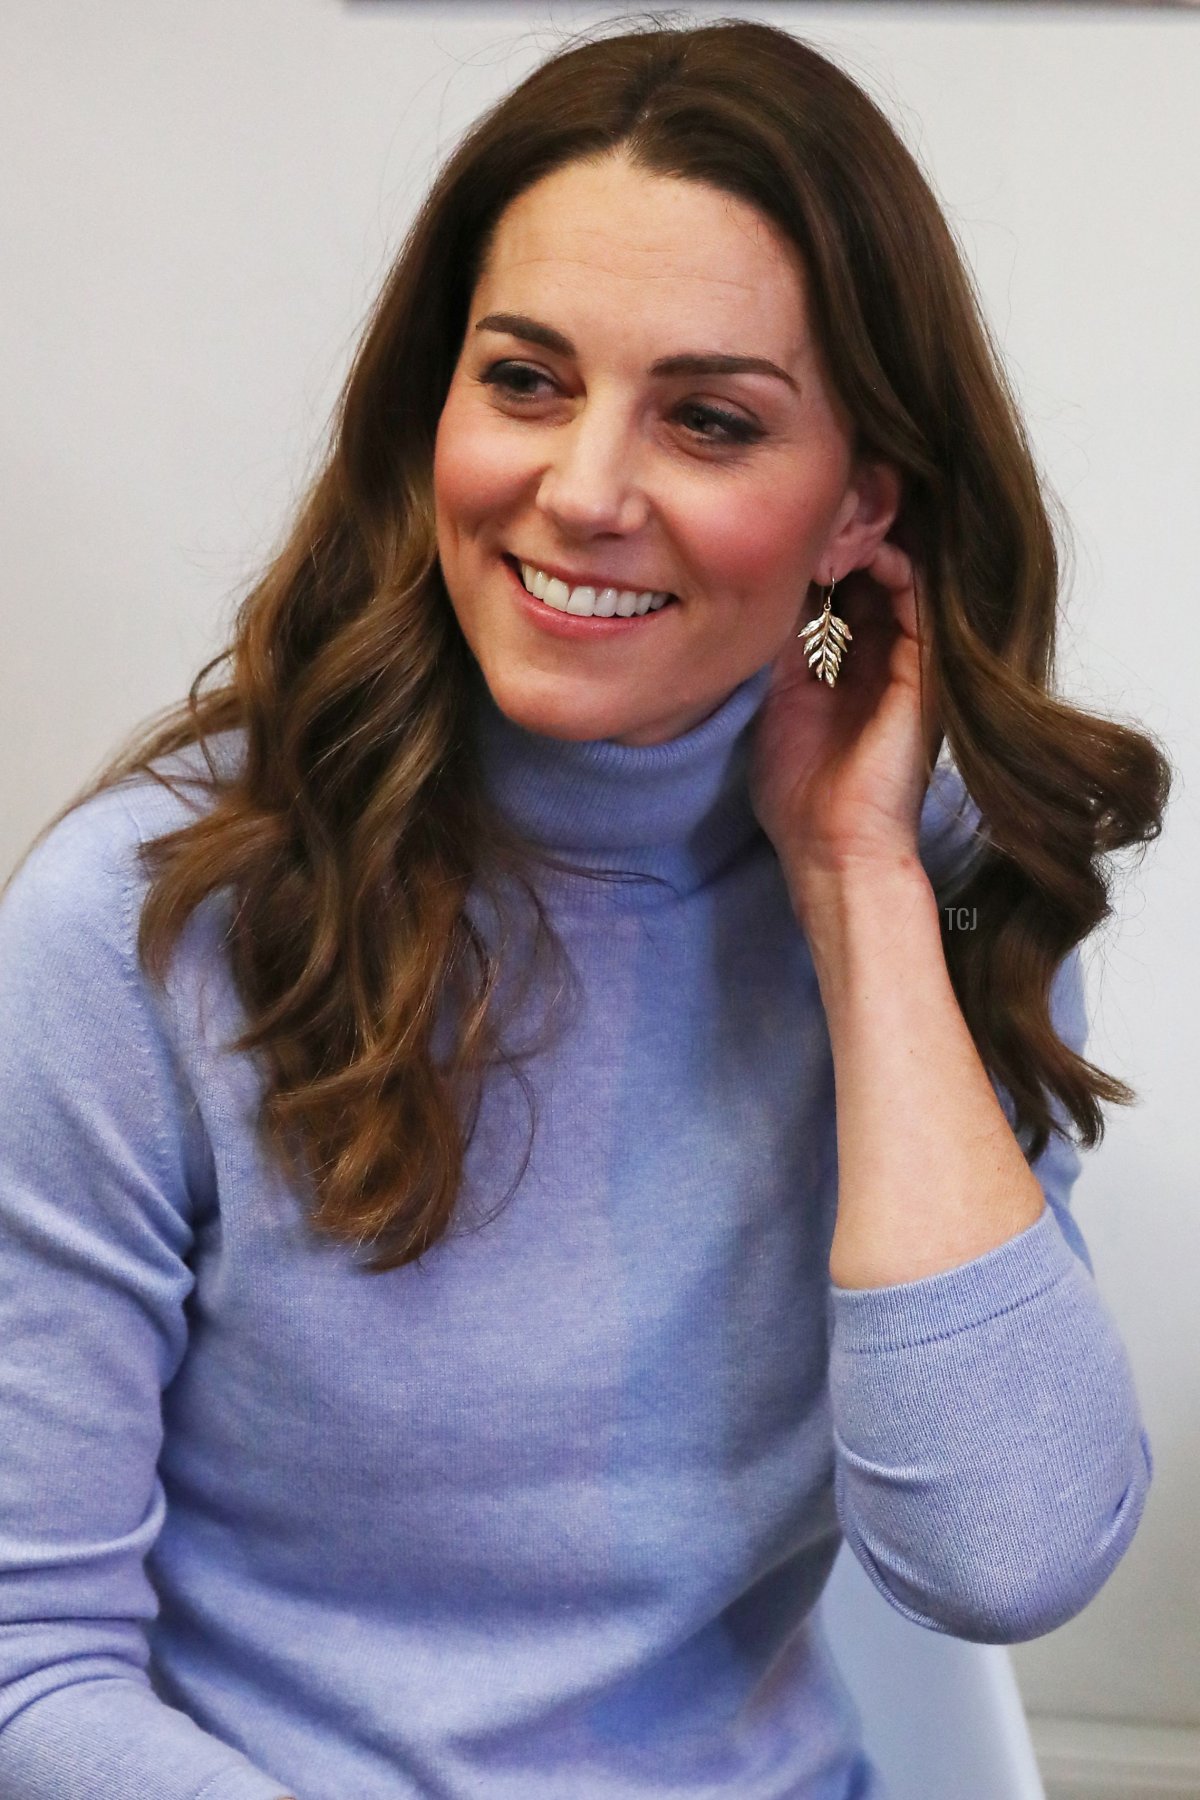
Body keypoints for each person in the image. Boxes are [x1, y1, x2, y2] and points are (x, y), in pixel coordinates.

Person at [0, 15, 1172, 1800]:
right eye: (526, 381)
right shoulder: (147, 924)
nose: (585, 492)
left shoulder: (938, 888)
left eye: (707, 418)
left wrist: (851, 882)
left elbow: (1003, 1559)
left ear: (864, 501)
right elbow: (28, 1673)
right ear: (435, 406)